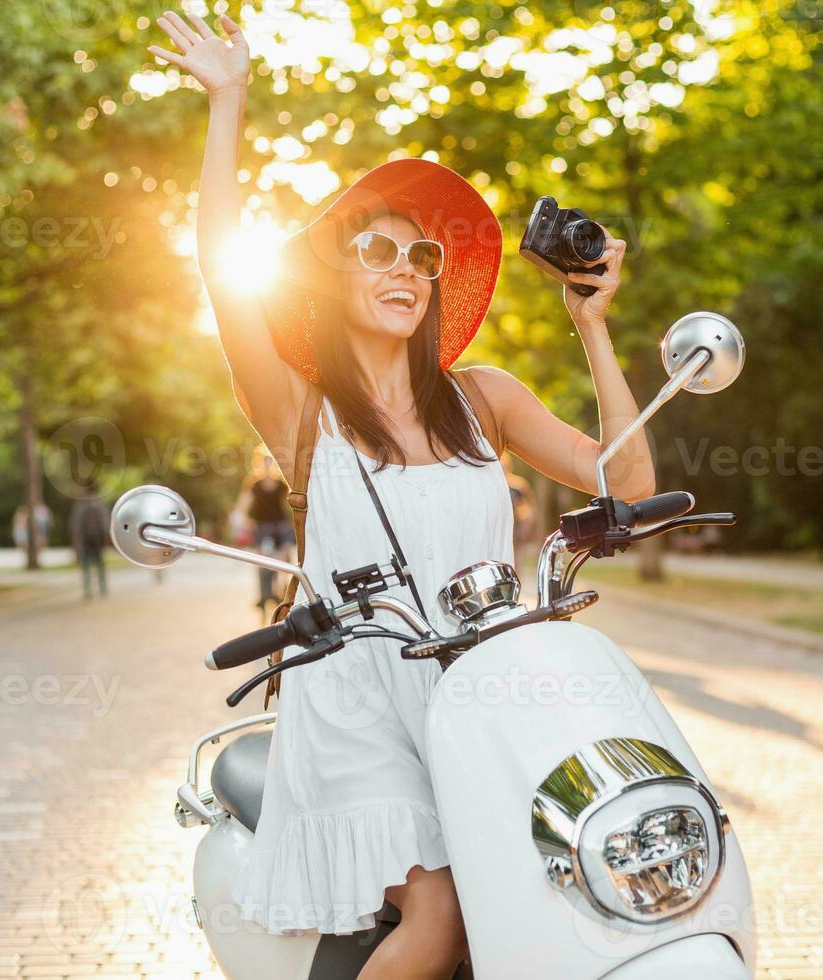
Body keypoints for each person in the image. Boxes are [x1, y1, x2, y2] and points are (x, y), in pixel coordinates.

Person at [150, 9, 655, 975]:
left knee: (571, 877)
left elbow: (627, 478)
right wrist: (229, 102)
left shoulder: (485, 399)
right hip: (354, 700)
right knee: (443, 912)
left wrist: (593, 326)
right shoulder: (303, 414)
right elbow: (221, 270)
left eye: (423, 258)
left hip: (482, 686)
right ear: (331, 281)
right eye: (378, 252)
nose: (408, 272)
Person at [230, 447, 294, 619]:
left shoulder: (281, 484)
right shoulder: (255, 484)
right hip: (262, 527)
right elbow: (244, 504)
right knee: (263, 562)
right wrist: (243, 520)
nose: (268, 466)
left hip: (280, 526)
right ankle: (263, 597)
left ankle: (285, 592)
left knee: (287, 558)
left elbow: (289, 505)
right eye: (265, 462)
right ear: (259, 464)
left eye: (270, 462)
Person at [69, 487, 111, 600]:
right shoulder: (99, 506)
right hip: (97, 540)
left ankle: (88, 590)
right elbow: (105, 524)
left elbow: (75, 527)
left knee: (86, 565)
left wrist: (76, 544)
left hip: (86, 541)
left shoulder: (80, 507)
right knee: (100, 564)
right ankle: (102, 587)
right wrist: (106, 540)